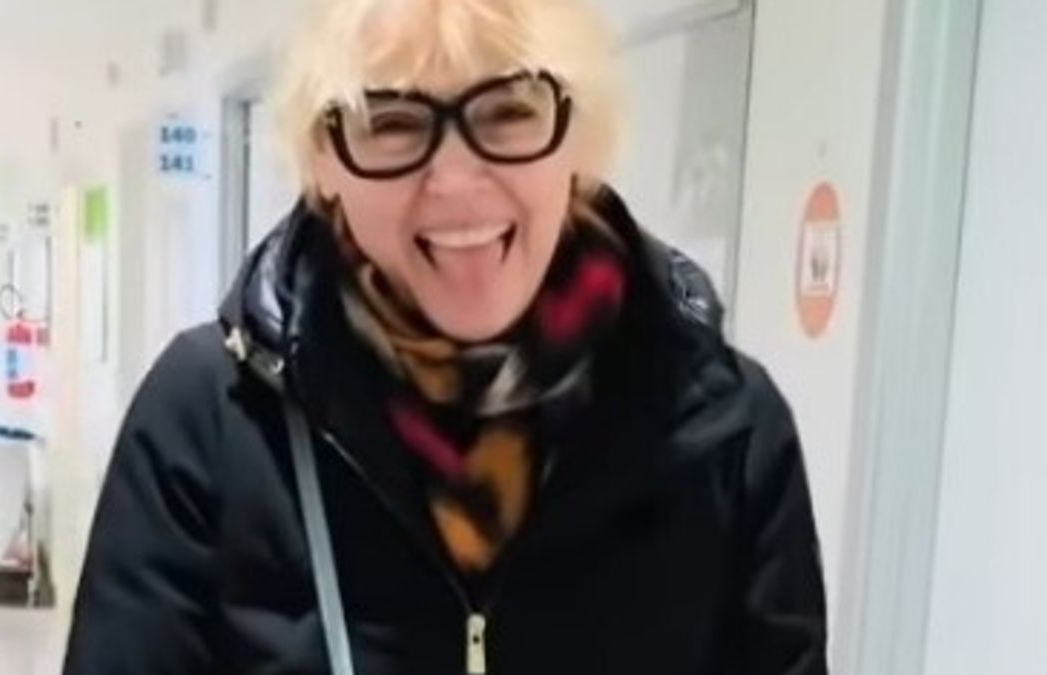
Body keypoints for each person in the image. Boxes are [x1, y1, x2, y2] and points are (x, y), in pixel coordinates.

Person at [62, 0, 828, 672]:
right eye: (393, 122)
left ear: (577, 133)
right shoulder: (207, 420)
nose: (455, 182)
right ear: (325, 159)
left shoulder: (727, 433)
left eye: (508, 111)